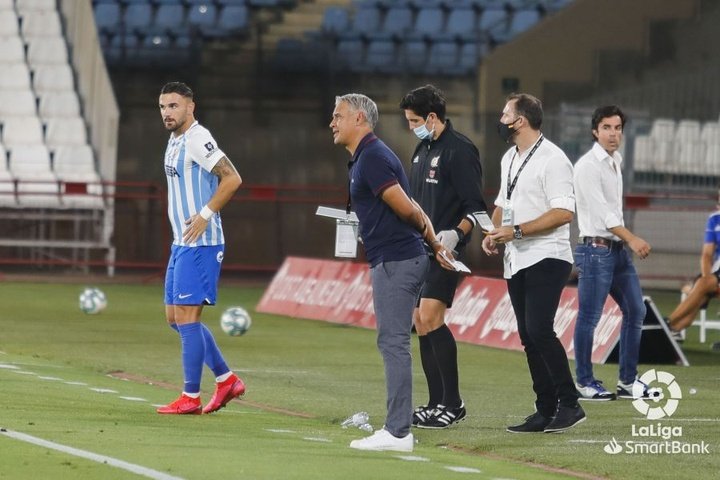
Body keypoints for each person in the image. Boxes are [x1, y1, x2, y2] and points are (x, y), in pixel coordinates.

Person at [329, 93, 453, 452]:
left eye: (338, 116)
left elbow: (406, 208)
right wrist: (431, 241)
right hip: (393, 258)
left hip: (398, 260)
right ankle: (398, 428)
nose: (332, 123)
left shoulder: (372, 158)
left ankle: (398, 432)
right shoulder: (366, 157)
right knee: (392, 342)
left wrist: (432, 240)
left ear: (359, 119)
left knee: (393, 342)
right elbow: (411, 206)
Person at [482, 93, 585, 433]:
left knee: (539, 329)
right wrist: (494, 231)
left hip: (547, 254)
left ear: (520, 120)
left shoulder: (553, 160)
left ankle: (569, 404)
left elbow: (563, 212)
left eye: (505, 114)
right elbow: (503, 200)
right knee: (528, 334)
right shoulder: (510, 156)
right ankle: (545, 409)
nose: (501, 119)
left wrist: (517, 231)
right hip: (518, 256)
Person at [399, 85, 486, 429]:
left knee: (432, 316)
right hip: (420, 248)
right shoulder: (421, 150)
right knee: (420, 320)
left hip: (446, 250)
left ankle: (453, 403)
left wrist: (457, 235)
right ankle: (435, 403)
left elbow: (477, 207)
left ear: (433, 117)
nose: (411, 127)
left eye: (415, 120)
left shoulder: (460, 151)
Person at [156, 82, 246, 415]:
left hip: (201, 243)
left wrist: (206, 214)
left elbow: (232, 178)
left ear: (191, 106)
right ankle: (226, 379)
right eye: (163, 107)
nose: (168, 113)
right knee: (174, 318)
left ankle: (190, 396)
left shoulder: (197, 139)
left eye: (174, 106)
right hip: (181, 242)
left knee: (188, 319)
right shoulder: (175, 139)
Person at [573, 105, 652, 402]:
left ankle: (628, 381)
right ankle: (583, 381)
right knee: (590, 317)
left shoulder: (614, 161)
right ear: (595, 131)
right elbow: (603, 215)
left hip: (616, 252)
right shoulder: (587, 166)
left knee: (636, 310)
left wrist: (625, 242)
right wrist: (631, 237)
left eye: (618, 128)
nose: (613, 133)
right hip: (596, 250)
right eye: (607, 127)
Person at [666, 192, 720, 333]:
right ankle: (670, 330)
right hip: (716, 272)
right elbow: (706, 255)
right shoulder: (715, 219)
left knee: (699, 287)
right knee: (700, 290)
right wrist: (708, 280)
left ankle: (666, 324)